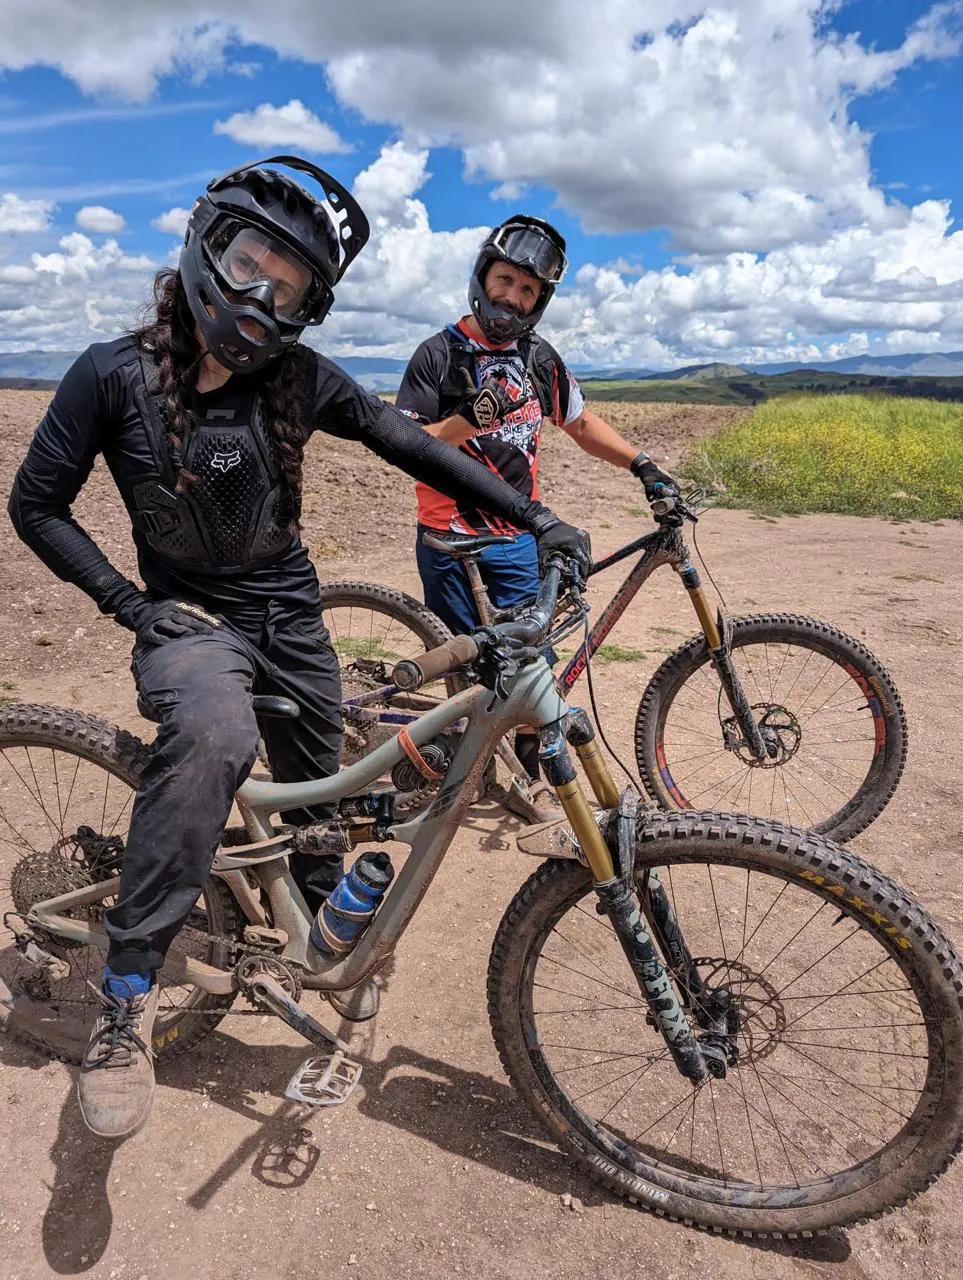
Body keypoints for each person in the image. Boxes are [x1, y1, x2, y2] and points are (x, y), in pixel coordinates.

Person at [7, 157, 591, 1141]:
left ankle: (327, 954)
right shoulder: (112, 375)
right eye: (251, 263)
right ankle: (126, 994)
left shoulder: (295, 378)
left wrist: (534, 515)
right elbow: (35, 504)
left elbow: (411, 443)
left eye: (293, 287)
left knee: (324, 792)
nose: (263, 296)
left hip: (290, 616)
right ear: (205, 246)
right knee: (213, 737)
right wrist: (127, 605)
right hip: (192, 620)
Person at [395, 215, 678, 801]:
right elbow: (406, 445)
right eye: (506, 281)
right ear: (482, 278)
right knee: (466, 664)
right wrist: (471, 418)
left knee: (532, 663)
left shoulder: (536, 357)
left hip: (519, 536)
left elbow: (579, 422)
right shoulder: (438, 356)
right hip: (453, 541)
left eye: (528, 290)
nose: (513, 297)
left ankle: (533, 768)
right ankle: (454, 767)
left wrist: (641, 463)